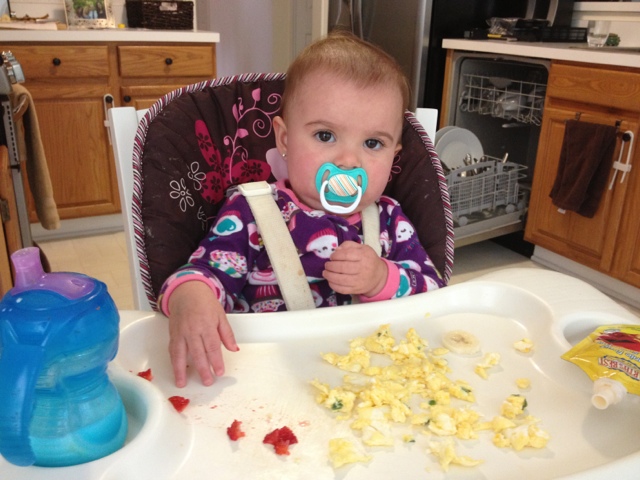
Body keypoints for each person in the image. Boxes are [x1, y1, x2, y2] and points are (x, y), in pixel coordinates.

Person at [159, 31, 445, 388]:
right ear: (285, 139)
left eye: (373, 143)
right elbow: (207, 273)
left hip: (365, 381)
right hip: (268, 380)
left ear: (394, 156)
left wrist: (381, 278)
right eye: (325, 135)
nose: (348, 161)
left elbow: (435, 294)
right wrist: (190, 298)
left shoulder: (390, 220)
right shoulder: (251, 213)